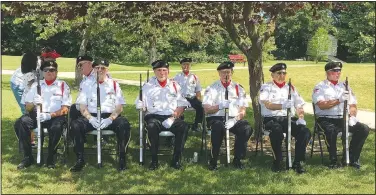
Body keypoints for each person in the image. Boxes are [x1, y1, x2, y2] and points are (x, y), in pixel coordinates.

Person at [70, 59, 131, 172]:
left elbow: (119, 107)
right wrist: (90, 118)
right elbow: (83, 107)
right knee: (75, 125)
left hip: (109, 116)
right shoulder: (86, 84)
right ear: (93, 69)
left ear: (107, 69)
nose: (100, 70)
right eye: (97, 68)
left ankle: (122, 158)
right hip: (91, 116)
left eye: (103, 68)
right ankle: (80, 159)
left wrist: (110, 119)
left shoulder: (114, 84)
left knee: (124, 124)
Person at [14, 60, 72, 169]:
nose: (49, 72)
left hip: (55, 116)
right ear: (42, 72)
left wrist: (50, 115)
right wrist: (33, 103)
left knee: (57, 127)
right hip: (37, 114)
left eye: (52, 70)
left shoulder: (63, 85)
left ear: (56, 72)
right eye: (46, 70)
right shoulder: (36, 85)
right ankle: (28, 157)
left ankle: (51, 157)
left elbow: (65, 109)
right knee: (21, 122)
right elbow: (27, 107)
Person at [312, 61, 369, 169]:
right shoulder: (320, 87)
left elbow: (353, 104)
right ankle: (333, 160)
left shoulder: (345, 86)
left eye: (339, 71)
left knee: (363, 129)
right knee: (331, 130)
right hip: (326, 118)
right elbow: (322, 105)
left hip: (344, 118)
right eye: (335, 71)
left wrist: (352, 116)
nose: (338, 73)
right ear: (327, 72)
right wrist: (339, 100)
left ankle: (352, 158)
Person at [135, 60, 190, 170]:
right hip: (154, 117)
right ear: (154, 72)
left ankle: (176, 160)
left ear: (168, 71)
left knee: (183, 127)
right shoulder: (147, 86)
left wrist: (173, 117)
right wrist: (141, 105)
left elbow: (182, 104)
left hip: (171, 116)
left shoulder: (175, 86)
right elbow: (139, 103)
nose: (162, 73)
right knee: (151, 127)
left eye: (164, 70)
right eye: (158, 70)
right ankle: (154, 160)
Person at [259, 63, 311, 174]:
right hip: (271, 119)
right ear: (272, 75)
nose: (282, 75)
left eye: (284, 73)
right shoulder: (266, 87)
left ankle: (298, 162)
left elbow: (299, 105)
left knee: (305, 132)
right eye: (279, 73)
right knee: (276, 131)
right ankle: (278, 160)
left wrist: (301, 117)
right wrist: (282, 106)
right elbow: (267, 104)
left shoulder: (290, 88)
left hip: (288, 118)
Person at [202, 61, 253, 171]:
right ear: (219, 73)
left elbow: (243, 110)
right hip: (216, 117)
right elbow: (207, 109)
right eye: (224, 72)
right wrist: (219, 106)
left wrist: (235, 119)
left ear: (232, 73)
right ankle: (214, 159)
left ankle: (237, 158)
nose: (226, 75)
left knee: (246, 128)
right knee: (218, 127)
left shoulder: (238, 88)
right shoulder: (211, 88)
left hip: (233, 118)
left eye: (229, 72)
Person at [173, 57, 203, 132]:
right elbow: (173, 90)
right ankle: (178, 125)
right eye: (184, 64)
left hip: (192, 98)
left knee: (201, 107)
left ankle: (196, 125)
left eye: (188, 64)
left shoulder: (195, 77)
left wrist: (199, 100)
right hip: (181, 98)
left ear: (190, 66)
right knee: (176, 108)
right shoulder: (177, 77)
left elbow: (198, 90)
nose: (186, 66)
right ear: (181, 66)